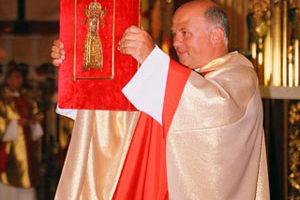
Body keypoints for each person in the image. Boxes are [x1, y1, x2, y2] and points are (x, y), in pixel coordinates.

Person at [51, 0, 269, 199]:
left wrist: (151, 59)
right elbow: (124, 116)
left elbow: (213, 112)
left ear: (216, 35)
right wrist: (76, 68)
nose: (176, 42)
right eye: (174, 34)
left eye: (185, 33)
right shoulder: (173, 79)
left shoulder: (239, 74)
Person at [0, 65, 44, 200]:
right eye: (15, 77)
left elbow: (38, 114)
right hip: (11, 146)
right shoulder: (3, 99)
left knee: (28, 176)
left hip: (28, 145)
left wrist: (33, 122)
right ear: (7, 80)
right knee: (11, 177)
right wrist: (15, 123)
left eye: (20, 78)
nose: (18, 80)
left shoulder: (27, 97)